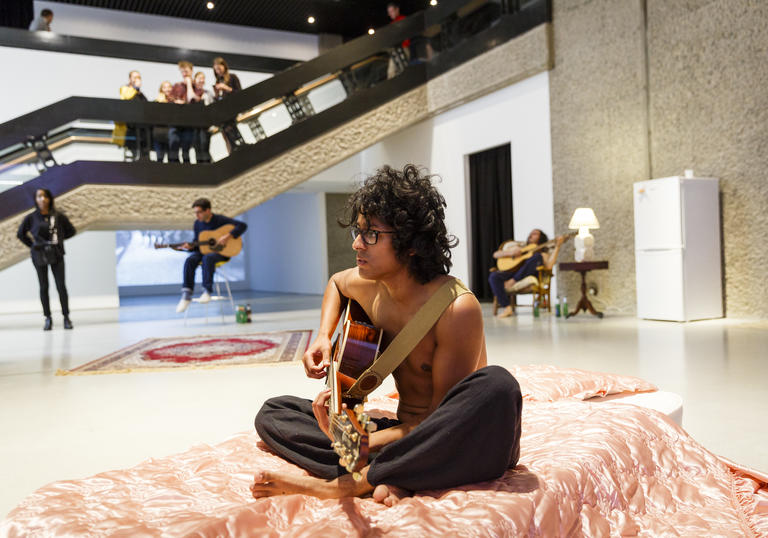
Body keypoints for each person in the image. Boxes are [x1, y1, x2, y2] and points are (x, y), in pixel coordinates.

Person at [252, 165, 522, 506]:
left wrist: (361, 441)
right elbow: (336, 282)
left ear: (411, 244)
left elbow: (439, 423)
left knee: (499, 385)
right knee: (274, 413)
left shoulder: (456, 308)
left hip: (452, 435)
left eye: (371, 235)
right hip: (403, 435)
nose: (356, 243)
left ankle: (347, 483)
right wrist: (323, 336)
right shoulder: (369, 284)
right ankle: (395, 472)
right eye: (358, 231)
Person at [16, 189, 76, 330]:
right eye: (39, 196)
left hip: (57, 253)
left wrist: (59, 240)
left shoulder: (58, 216)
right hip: (39, 255)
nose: (42, 199)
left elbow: (71, 231)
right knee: (44, 287)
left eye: (45, 196)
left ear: (49, 199)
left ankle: (66, 317)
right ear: (36, 199)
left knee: (61, 286)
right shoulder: (31, 218)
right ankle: (47, 318)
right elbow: (21, 234)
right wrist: (33, 245)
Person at [175, 198, 247, 313]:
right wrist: (190, 247)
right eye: (195, 212)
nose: (197, 215)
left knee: (208, 258)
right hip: (203, 251)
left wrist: (227, 236)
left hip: (221, 253)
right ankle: (186, 294)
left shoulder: (220, 220)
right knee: (190, 260)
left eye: (199, 212)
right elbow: (198, 243)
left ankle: (207, 291)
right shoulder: (197, 224)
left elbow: (242, 225)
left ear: (208, 210)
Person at [488, 229, 564, 318]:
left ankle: (513, 281)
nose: (531, 235)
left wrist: (558, 246)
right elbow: (496, 254)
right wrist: (511, 252)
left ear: (541, 238)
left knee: (536, 257)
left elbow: (549, 266)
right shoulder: (520, 246)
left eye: (535, 234)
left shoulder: (542, 253)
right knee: (494, 276)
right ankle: (507, 307)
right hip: (513, 271)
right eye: (530, 233)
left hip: (528, 273)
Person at [114, 71, 149, 160]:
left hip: (142, 126)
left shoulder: (140, 94)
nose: (137, 79)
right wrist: (135, 88)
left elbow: (146, 106)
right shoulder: (125, 89)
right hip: (130, 126)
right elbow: (127, 98)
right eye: (135, 77)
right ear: (130, 79)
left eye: (138, 77)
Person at [212, 57, 244, 152]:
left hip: (234, 107)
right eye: (216, 70)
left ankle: (237, 145)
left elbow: (240, 93)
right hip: (224, 110)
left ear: (224, 67)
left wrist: (227, 88)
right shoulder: (218, 81)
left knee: (227, 124)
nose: (218, 71)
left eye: (219, 68)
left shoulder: (233, 77)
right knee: (224, 125)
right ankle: (234, 147)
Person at [168, 61, 197, 163]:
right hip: (176, 122)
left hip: (188, 123)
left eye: (186, 71)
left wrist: (189, 84)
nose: (184, 74)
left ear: (191, 71)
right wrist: (176, 101)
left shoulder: (196, 86)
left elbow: (192, 100)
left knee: (186, 149)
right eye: (182, 72)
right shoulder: (176, 86)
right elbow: (170, 99)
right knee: (173, 146)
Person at [190, 72, 214, 164]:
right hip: (195, 125)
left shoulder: (208, 93)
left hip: (206, 125)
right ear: (195, 79)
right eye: (199, 78)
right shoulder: (191, 93)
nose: (201, 80)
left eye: (203, 78)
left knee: (205, 145)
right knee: (197, 147)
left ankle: (208, 164)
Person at [386, 2, 411, 79]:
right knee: (391, 72)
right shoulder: (392, 24)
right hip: (396, 50)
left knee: (402, 70)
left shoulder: (403, 19)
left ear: (397, 10)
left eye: (392, 11)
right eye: (389, 12)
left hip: (403, 48)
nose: (390, 14)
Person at [152, 81, 173, 162]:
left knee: (172, 159)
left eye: (169, 87)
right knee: (160, 158)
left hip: (170, 134)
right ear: (161, 90)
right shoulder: (156, 102)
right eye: (164, 87)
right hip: (159, 134)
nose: (167, 89)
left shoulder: (174, 102)